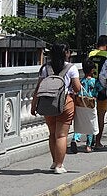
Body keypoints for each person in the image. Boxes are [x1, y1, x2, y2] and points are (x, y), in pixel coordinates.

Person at [33, 43, 80, 174]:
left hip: (48, 103)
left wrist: (34, 103)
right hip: (65, 102)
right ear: (66, 53)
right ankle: (59, 165)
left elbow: (39, 87)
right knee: (61, 135)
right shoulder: (71, 68)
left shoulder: (45, 68)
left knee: (52, 134)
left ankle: (54, 162)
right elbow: (77, 88)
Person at [70, 59, 100, 153]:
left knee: (80, 123)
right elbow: (99, 90)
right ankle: (88, 146)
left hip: (80, 103)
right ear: (92, 70)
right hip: (90, 104)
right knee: (90, 124)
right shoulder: (94, 81)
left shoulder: (81, 81)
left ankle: (75, 139)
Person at [87, 35, 107, 147]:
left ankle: (89, 140)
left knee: (90, 116)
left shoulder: (90, 55)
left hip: (90, 88)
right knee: (100, 116)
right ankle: (97, 141)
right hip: (102, 90)